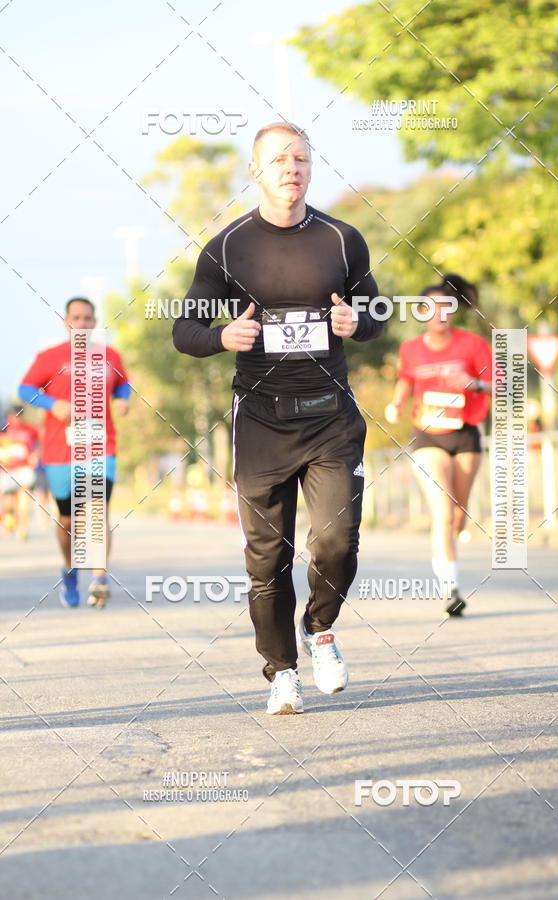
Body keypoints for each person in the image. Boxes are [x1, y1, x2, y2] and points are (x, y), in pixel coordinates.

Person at [173, 122, 383, 714]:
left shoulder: (342, 240)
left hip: (331, 418)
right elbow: (184, 331)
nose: (291, 168)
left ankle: (320, 628)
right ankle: (281, 668)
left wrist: (356, 325)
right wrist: (223, 336)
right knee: (268, 557)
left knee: (337, 541)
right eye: (279, 159)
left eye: (302, 158)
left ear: (311, 168)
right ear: (255, 171)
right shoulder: (227, 247)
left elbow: (376, 313)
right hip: (262, 421)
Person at [386, 274, 492, 616]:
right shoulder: (410, 349)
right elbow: (406, 378)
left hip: (465, 433)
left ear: (453, 310)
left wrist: (473, 383)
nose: (439, 314)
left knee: (458, 514)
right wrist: (397, 403)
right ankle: (451, 589)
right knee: (443, 511)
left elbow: (502, 385)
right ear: (420, 312)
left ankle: (454, 540)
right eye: (430, 308)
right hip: (428, 435)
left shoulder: (473, 345)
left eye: (445, 308)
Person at [18, 297, 131, 608]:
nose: (81, 324)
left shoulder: (109, 355)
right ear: (65, 321)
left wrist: (122, 399)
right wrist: (52, 405)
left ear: (94, 322)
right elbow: (25, 390)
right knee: (68, 519)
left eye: (87, 318)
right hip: (60, 450)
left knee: (97, 510)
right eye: (75, 318)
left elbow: (123, 383)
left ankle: (99, 578)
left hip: (100, 445)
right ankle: (69, 570)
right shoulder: (49, 357)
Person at [0, 406, 39, 539]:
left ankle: (23, 528)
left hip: (24, 468)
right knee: (9, 501)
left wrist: (35, 454)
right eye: (13, 415)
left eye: (19, 415)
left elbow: (40, 442)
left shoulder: (30, 429)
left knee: (25, 497)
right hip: (7, 470)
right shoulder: (3, 430)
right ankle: (10, 518)